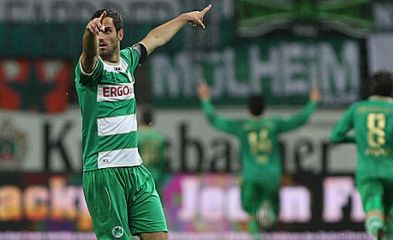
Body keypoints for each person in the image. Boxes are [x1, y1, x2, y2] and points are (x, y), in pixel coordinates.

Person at [74, 5, 211, 240]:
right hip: (105, 172)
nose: (101, 38)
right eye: (98, 33)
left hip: (136, 170)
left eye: (107, 31)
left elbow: (155, 37)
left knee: (158, 236)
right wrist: (89, 34)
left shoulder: (129, 60)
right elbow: (88, 56)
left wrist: (185, 17)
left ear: (120, 34)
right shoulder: (91, 70)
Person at [197, 81, 320, 238]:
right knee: (273, 210)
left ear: (248, 109)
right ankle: (268, 217)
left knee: (251, 214)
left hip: (251, 176)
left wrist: (205, 99)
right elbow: (300, 119)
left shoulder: (242, 126)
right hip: (272, 176)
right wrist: (313, 101)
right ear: (265, 108)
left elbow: (214, 119)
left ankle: (258, 231)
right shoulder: (273, 124)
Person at [330, 70, 393, 240]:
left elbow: (335, 136)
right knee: (388, 213)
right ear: (392, 89)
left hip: (368, 169)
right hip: (392, 168)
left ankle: (375, 229)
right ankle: (385, 232)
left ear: (371, 88)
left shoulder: (357, 108)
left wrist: (359, 139)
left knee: (373, 208)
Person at [138, 108, 170, 195]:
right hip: (156, 176)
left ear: (141, 120)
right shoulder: (159, 138)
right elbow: (164, 160)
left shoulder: (136, 136)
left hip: (140, 177)